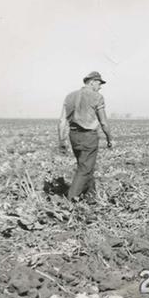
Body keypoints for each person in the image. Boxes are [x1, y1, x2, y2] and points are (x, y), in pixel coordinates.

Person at [58, 71, 114, 202]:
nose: (100, 87)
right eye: (99, 83)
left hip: (73, 136)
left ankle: (91, 196)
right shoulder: (97, 97)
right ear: (92, 82)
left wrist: (61, 140)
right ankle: (69, 201)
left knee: (85, 166)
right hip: (88, 137)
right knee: (85, 168)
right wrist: (109, 138)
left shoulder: (69, 96)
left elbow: (61, 121)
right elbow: (104, 122)